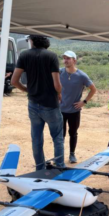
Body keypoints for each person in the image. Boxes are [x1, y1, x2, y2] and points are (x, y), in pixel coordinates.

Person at [11, 35, 65, 170]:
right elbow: (57, 84)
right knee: (57, 138)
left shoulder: (24, 55)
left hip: (33, 104)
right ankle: (59, 166)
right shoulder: (51, 56)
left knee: (36, 139)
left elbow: (14, 81)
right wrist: (59, 93)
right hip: (50, 104)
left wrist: (26, 90)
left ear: (33, 41)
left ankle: (40, 168)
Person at [60, 51, 97, 163]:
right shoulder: (59, 72)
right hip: (60, 109)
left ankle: (72, 154)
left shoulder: (81, 76)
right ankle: (59, 154)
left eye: (68, 58)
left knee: (73, 133)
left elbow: (93, 89)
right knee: (60, 134)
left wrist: (84, 102)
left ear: (74, 61)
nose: (66, 60)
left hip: (74, 110)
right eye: (64, 58)